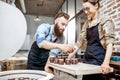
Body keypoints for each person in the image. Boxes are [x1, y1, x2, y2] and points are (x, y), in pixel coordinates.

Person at [68, 0, 115, 80]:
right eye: (84, 9)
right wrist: (70, 55)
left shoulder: (105, 21)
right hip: (87, 60)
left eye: (88, 8)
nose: (86, 12)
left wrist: (106, 63)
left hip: (99, 61)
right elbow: (80, 41)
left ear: (96, 6)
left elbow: (109, 43)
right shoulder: (86, 24)